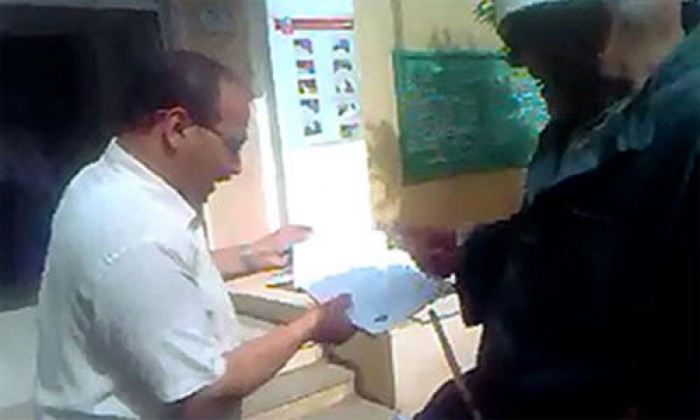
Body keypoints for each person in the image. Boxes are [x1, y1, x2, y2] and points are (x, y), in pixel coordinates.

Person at [400, 0, 699, 418]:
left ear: (595, 26)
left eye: (522, 37)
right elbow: (557, 242)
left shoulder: (686, 130)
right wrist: (467, 247)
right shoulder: (577, 123)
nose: (514, 60)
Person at [35, 51, 356, 420]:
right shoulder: (138, 235)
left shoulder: (105, 182)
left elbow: (170, 270)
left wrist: (251, 254)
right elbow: (205, 392)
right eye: (233, 145)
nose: (236, 167)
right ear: (176, 129)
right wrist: (311, 325)